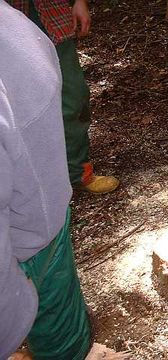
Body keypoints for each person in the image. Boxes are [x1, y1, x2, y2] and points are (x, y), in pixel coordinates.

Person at [0, 2, 91, 358]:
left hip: (44, 217)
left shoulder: (14, 29)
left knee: (60, 327)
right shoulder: (14, 24)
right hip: (34, 224)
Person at [6, 0, 119, 194]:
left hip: (52, 17)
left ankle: (77, 173)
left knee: (73, 97)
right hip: (7, 27)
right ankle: (28, 182)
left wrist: (79, 2)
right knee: (16, 106)